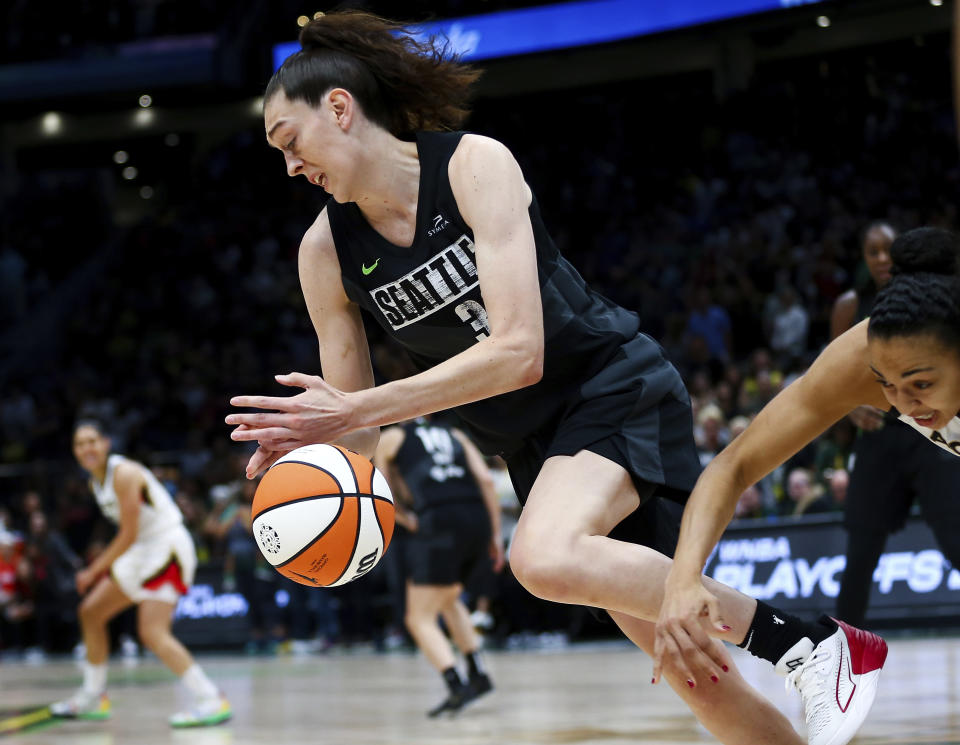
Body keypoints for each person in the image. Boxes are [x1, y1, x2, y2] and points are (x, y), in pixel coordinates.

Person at [225, 11, 884, 744]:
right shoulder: (324, 251)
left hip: (611, 387)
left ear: (341, 109)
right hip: (538, 451)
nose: (289, 167)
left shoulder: (474, 165)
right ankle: (809, 655)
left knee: (541, 557)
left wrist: (347, 411)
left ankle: (812, 646)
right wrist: (312, 463)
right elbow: (361, 429)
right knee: (702, 677)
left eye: (291, 142)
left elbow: (518, 352)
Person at [656, 226, 960, 736]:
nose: (905, 403)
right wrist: (683, 577)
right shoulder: (859, 359)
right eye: (890, 387)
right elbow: (733, 467)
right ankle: (841, 652)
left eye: (922, 384)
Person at [51, 420, 231, 727]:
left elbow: (128, 534)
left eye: (92, 441)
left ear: (106, 443)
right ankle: (93, 695)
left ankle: (211, 699)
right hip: (143, 551)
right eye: (80, 444)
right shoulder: (97, 482)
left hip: (166, 547)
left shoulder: (125, 474)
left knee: (152, 632)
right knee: (91, 613)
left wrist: (94, 570)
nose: (87, 448)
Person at [830, 222, 960, 627]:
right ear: (864, 258)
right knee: (861, 553)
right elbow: (832, 378)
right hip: (880, 436)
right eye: (873, 251)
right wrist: (852, 409)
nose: (882, 258)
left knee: (957, 542)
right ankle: (843, 653)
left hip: (935, 433)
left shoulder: (937, 297)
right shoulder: (850, 306)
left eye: (889, 250)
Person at [375, 416, 503, 717]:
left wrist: (404, 518)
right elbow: (485, 479)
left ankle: (455, 684)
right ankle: (478, 672)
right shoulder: (455, 433)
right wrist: (495, 534)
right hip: (477, 519)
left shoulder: (392, 437)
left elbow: (381, 486)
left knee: (418, 618)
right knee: (447, 598)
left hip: (439, 520)